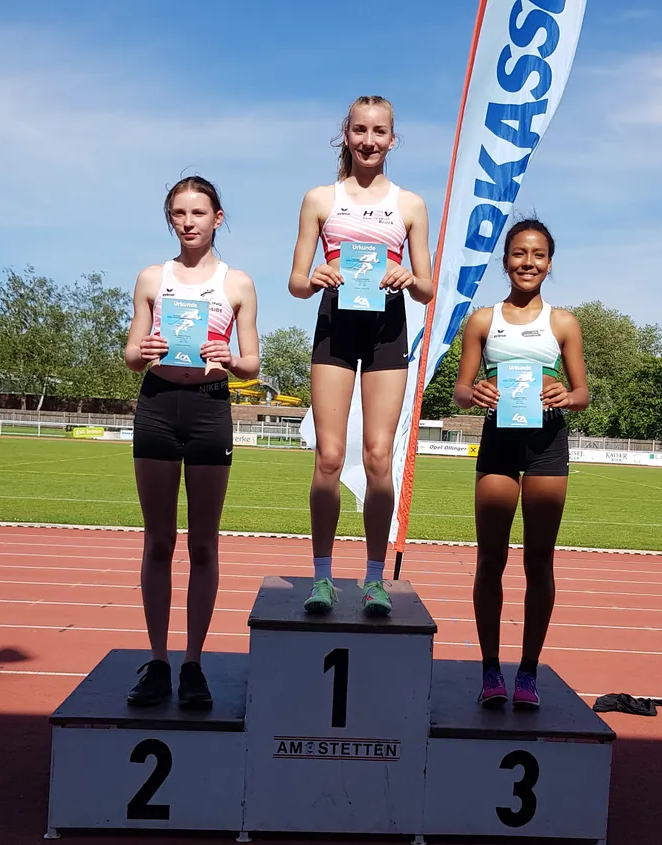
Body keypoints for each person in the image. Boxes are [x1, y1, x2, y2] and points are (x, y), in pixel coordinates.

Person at [289, 95, 434, 616]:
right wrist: (316, 277)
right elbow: (296, 282)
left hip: (386, 331)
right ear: (345, 135)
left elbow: (426, 288)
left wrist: (408, 277)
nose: (368, 141)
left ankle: (374, 580)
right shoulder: (319, 199)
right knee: (328, 456)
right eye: (359, 131)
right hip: (335, 327)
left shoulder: (410, 204)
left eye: (379, 132)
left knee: (377, 456)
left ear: (393, 139)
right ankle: (322, 578)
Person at [122, 175, 260, 708]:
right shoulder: (152, 278)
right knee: (158, 542)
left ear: (217, 218)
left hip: (208, 410)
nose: (188, 222)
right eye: (178, 213)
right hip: (158, 406)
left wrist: (230, 358)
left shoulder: (237, 283)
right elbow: (131, 354)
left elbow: (252, 362)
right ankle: (158, 661)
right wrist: (145, 350)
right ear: (169, 219)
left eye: (198, 213)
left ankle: (194, 663)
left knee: (204, 544)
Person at [453, 219, 589, 710]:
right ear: (505, 260)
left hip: (547, 446)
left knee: (539, 561)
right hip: (499, 446)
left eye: (538, 255)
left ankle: (528, 671)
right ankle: (490, 669)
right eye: (518, 253)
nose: (528, 263)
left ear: (549, 264)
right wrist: (476, 392)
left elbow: (583, 393)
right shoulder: (483, 320)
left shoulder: (563, 323)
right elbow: (461, 391)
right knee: (490, 560)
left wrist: (566, 395)